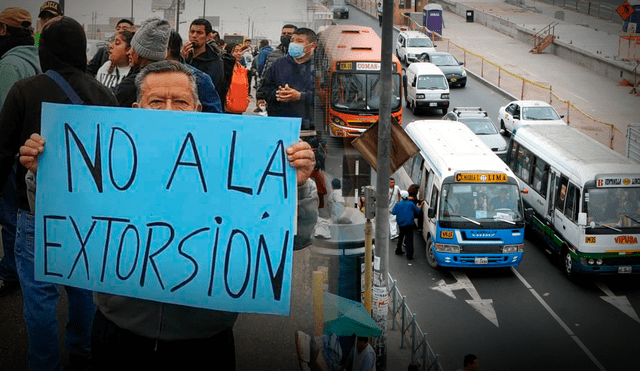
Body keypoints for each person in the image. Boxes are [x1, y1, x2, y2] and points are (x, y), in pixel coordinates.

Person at [19, 59, 318, 371]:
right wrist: (46, 175)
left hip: (204, 340)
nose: (168, 111)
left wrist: (295, 187)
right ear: (136, 108)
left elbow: (296, 239)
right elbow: (62, 225)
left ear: (198, 109)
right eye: (157, 102)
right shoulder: (111, 161)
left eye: (180, 102)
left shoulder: (233, 163)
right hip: (119, 331)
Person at [0, 16, 118, 371]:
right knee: (83, 290)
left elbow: (3, 153)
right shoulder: (104, 94)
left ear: (45, 51)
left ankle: (44, 363)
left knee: (39, 296)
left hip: (37, 211)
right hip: (87, 214)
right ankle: (81, 353)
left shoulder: (24, 89)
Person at [0, 6, 42, 298]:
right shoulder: (37, 58)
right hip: (34, 153)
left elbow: (3, 118)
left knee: (11, 217)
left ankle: (10, 272)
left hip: (15, 155)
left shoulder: (9, 65)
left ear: (3, 30)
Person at [258, 27, 317, 133]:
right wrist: (278, 94)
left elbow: (326, 98)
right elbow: (264, 89)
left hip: (308, 128)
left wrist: (300, 96)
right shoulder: (278, 64)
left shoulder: (320, 67)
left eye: (299, 42)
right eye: (292, 41)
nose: (294, 44)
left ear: (313, 45)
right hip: (279, 124)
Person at [115, 17, 170, 108]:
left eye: (132, 48)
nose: (129, 52)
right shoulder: (174, 78)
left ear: (139, 53)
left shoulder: (130, 86)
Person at [166, 30, 222, 113]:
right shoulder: (145, 75)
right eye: (192, 32)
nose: (194, 36)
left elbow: (214, 118)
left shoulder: (200, 79)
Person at [181, 18, 226, 104]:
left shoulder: (215, 61)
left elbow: (209, 89)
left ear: (208, 37)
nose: (194, 36)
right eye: (192, 32)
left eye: (199, 33)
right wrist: (182, 60)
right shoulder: (184, 56)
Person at [255, 24, 296, 108]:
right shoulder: (273, 54)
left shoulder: (301, 55)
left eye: (289, 34)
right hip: (275, 100)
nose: (285, 36)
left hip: (295, 101)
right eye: (283, 34)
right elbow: (264, 77)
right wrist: (260, 97)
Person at [392, 190, 423, 260]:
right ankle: (409, 254)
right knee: (409, 239)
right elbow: (418, 211)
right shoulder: (411, 204)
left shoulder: (398, 204)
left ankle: (398, 250)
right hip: (409, 224)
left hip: (401, 224)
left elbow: (393, 212)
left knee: (401, 237)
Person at [224, 42, 250, 114]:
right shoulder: (224, 68)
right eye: (236, 51)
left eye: (240, 51)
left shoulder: (242, 69)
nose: (239, 53)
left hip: (239, 108)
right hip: (226, 110)